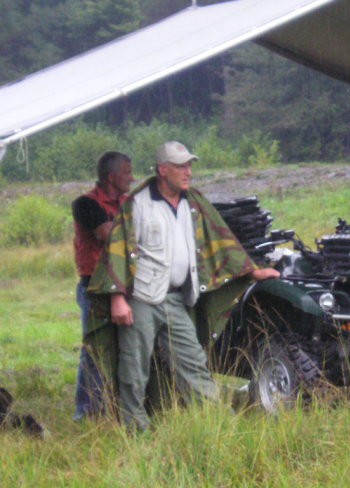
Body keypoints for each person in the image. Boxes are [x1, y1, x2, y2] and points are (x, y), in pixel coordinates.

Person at [88, 141, 279, 431]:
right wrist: (117, 297)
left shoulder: (194, 203)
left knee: (193, 361)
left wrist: (251, 271)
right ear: (163, 170)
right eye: (181, 166)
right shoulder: (138, 204)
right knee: (134, 367)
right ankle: (134, 428)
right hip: (142, 298)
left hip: (177, 299)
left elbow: (220, 239)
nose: (188, 171)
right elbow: (117, 250)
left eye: (190, 165)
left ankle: (216, 422)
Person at [72, 151, 133, 421]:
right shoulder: (85, 204)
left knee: (125, 346)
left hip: (125, 284)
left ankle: (118, 405)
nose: (132, 178)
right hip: (94, 287)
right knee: (96, 349)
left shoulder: (127, 202)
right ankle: (87, 412)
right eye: (127, 173)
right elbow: (109, 235)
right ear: (112, 177)